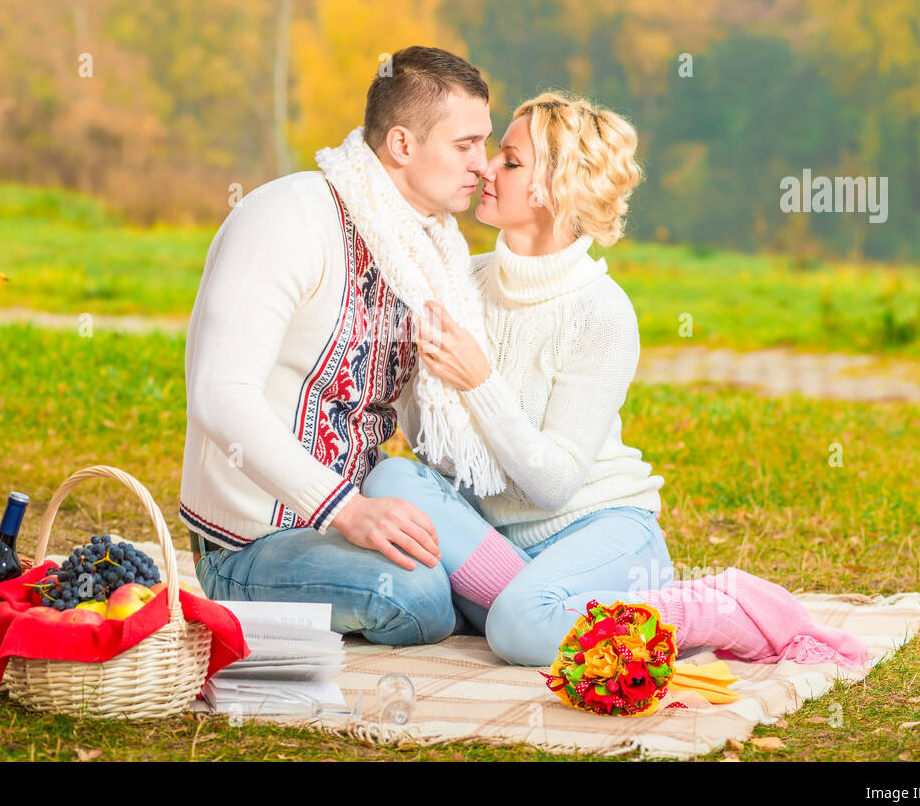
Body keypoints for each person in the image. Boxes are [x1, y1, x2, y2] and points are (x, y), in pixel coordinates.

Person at [362, 91, 870, 669]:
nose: (484, 168)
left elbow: (551, 486)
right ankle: (541, 605)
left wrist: (479, 380)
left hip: (599, 529)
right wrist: (418, 380)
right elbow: (443, 451)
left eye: (509, 159)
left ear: (552, 187)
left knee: (518, 630)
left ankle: (713, 609)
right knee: (392, 481)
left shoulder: (601, 311)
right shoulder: (466, 281)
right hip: (500, 540)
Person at [180, 45, 511, 645]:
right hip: (253, 542)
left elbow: (426, 425)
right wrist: (347, 511)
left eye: (484, 144)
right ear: (403, 145)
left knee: (509, 584)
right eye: (466, 145)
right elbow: (218, 395)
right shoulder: (288, 217)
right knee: (418, 596)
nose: (483, 166)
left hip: (368, 500)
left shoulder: (425, 253)